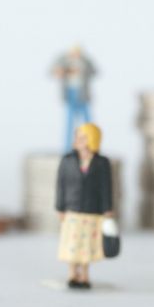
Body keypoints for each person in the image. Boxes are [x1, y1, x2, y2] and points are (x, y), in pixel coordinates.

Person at [55, 123, 113, 289]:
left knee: (87, 245)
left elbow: (106, 187)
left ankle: (85, 275)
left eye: (82, 138)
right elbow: (61, 185)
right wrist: (60, 207)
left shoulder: (102, 163)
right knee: (72, 244)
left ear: (92, 140)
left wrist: (107, 208)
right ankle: (73, 273)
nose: (78, 141)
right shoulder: (67, 161)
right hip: (72, 209)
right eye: (77, 137)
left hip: (92, 210)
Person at [51, 45, 97, 152]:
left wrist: (82, 70)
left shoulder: (85, 61)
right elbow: (53, 71)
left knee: (87, 121)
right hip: (70, 94)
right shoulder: (64, 60)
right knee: (69, 122)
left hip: (83, 95)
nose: (75, 54)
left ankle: (91, 146)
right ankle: (67, 149)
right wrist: (63, 71)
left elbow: (94, 71)